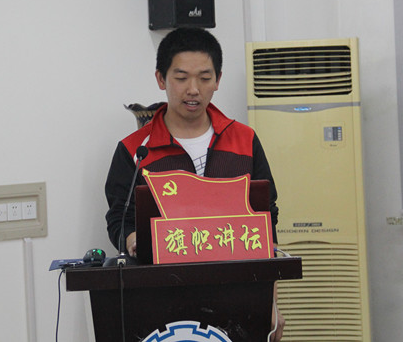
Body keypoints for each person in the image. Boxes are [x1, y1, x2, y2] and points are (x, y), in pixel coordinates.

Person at [103, 27, 285, 340]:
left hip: (239, 297)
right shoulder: (135, 150)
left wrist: (271, 302)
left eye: (204, 78)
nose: (193, 89)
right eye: (181, 77)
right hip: (160, 302)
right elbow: (119, 218)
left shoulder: (244, 140)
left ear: (218, 80)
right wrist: (133, 238)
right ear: (161, 79)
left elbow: (266, 220)